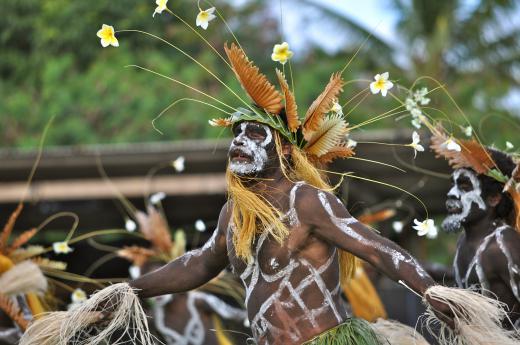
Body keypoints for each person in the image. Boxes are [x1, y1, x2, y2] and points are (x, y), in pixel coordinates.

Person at [431, 132, 520, 328]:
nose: (451, 193)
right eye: (453, 185)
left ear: (494, 198)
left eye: (464, 186)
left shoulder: (503, 244)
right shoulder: (464, 241)